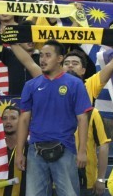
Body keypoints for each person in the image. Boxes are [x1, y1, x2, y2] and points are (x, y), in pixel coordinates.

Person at [17, 41, 92, 196]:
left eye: (48, 55)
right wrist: (19, 152)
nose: (42, 59)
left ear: (59, 59)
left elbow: (82, 119)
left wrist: (82, 151)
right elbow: (24, 120)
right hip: (35, 150)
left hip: (65, 148)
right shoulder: (31, 85)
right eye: (41, 56)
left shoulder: (75, 84)